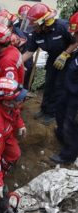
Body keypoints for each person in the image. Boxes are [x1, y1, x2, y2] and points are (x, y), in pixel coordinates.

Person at [22, 3, 78, 124]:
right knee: (49, 84)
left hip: (66, 58)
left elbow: (75, 42)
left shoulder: (62, 26)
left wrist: (65, 54)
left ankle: (52, 113)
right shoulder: (37, 33)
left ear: (44, 22)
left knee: (59, 85)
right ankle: (44, 109)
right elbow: (30, 51)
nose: (32, 27)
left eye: (35, 25)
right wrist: (16, 62)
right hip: (52, 58)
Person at [50, 12, 78, 164]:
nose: (75, 37)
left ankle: (68, 155)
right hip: (68, 91)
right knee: (59, 113)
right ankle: (63, 136)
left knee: (70, 122)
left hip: (76, 96)